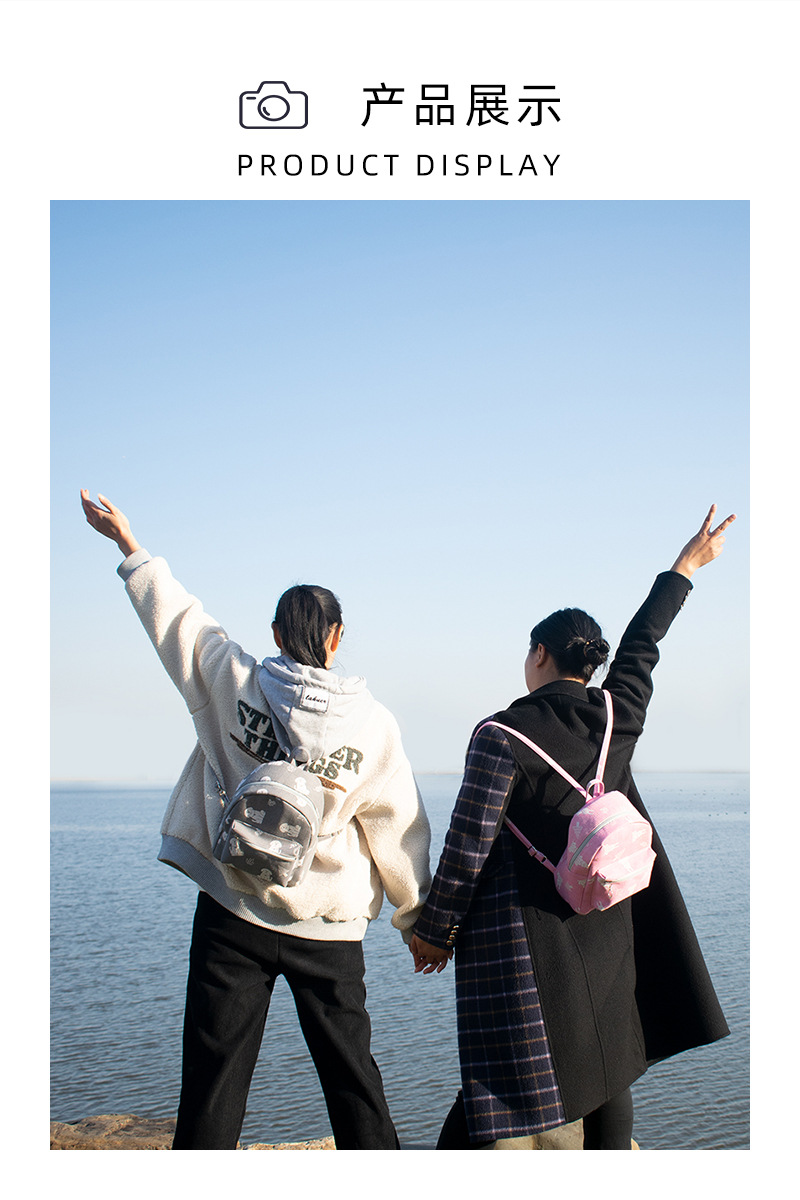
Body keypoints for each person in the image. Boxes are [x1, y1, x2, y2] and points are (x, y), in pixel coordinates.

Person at [80, 490, 432, 1151]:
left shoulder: (231, 679)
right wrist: (417, 921)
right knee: (352, 1081)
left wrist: (129, 545)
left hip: (232, 910)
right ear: (337, 637)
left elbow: (178, 621)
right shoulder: (373, 725)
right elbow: (398, 826)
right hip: (327, 926)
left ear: (275, 634)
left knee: (212, 1082)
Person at [410, 505, 736, 1150]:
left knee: (493, 1084)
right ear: (587, 664)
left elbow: (468, 845)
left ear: (539, 653)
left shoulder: (501, 735)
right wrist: (685, 568)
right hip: (607, 919)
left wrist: (435, 932)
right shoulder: (618, 715)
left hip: (528, 940)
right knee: (610, 1061)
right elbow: (643, 647)